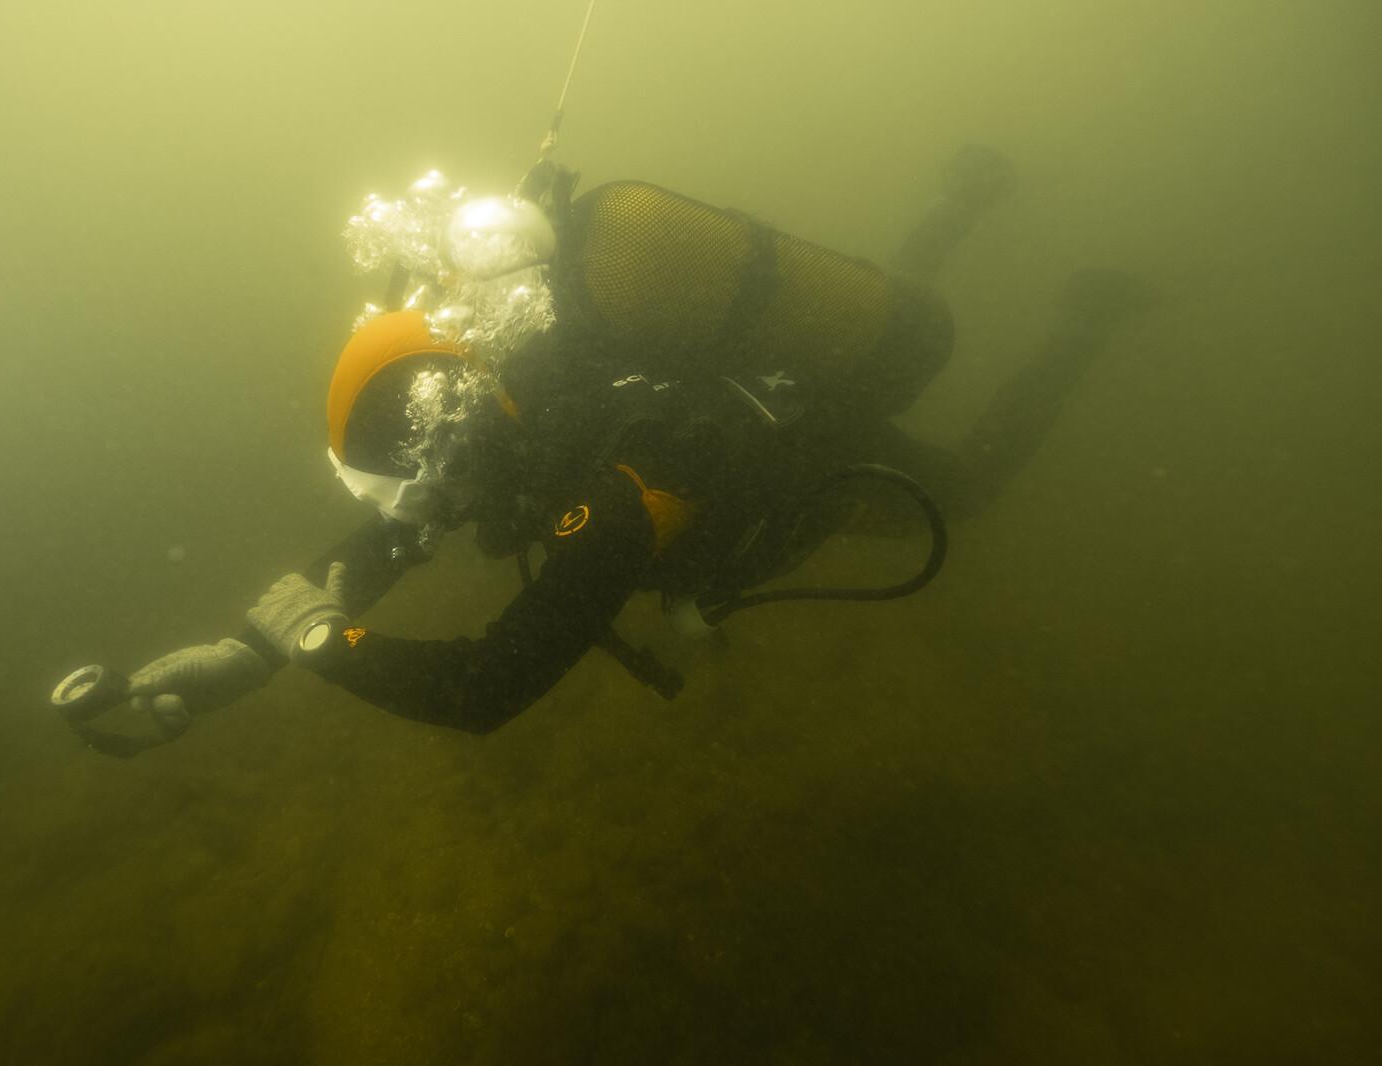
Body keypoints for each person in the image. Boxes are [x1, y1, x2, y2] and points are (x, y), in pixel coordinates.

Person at [111, 148, 1151, 741]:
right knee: (855, 356)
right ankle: (954, 213)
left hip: (795, 464)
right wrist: (245, 652)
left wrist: (317, 644)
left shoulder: (616, 488)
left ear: (445, 428)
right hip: (763, 386)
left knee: (959, 487)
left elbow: (481, 691)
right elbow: (395, 534)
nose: (419, 510)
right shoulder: (511, 398)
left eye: (414, 480)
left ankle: (1085, 323)